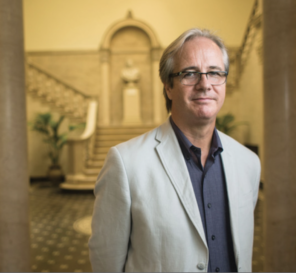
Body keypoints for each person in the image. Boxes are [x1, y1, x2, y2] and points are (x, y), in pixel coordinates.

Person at [88, 28, 261, 272]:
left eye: (214, 73)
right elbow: (106, 262)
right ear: (168, 86)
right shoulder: (126, 164)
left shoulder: (248, 163)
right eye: (190, 74)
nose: (205, 84)